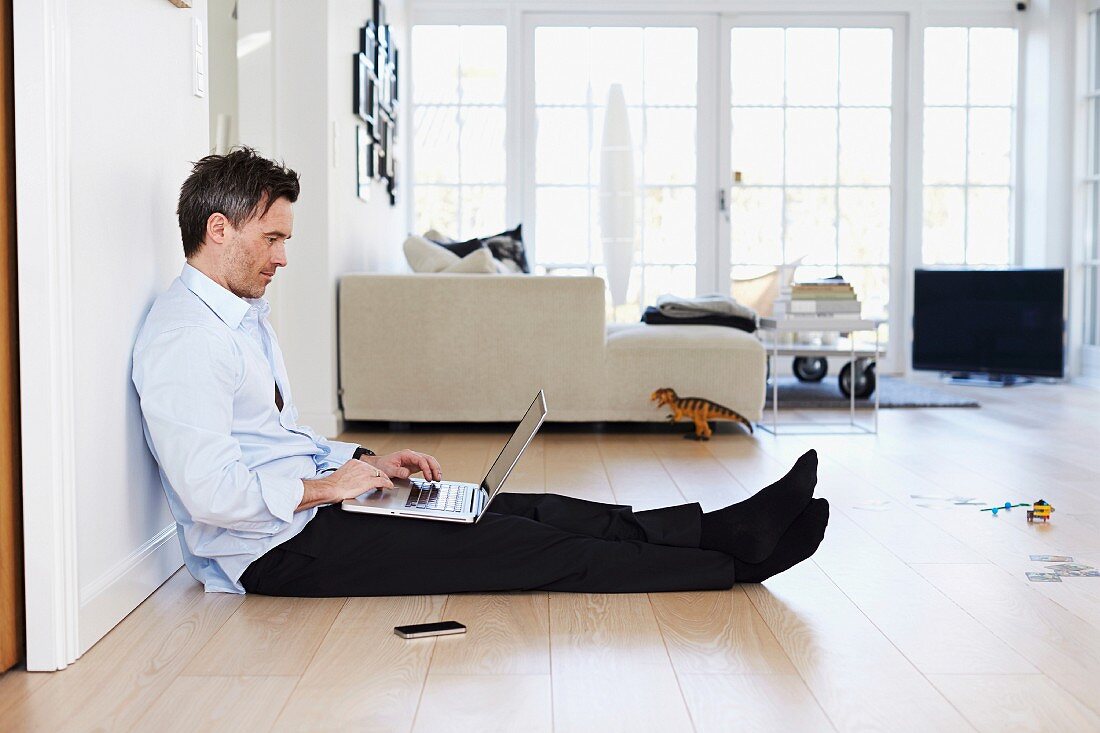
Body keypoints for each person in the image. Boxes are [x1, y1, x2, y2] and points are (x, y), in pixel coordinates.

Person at [132, 148, 829, 597]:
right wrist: (328, 487)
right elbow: (210, 493)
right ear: (217, 229)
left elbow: (271, 441)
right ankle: (733, 565)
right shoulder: (185, 340)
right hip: (276, 551)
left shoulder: (241, 315)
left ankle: (720, 528)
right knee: (523, 546)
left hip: (310, 511)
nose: (282, 257)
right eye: (272, 238)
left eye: (286, 238)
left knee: (529, 506)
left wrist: (367, 461)